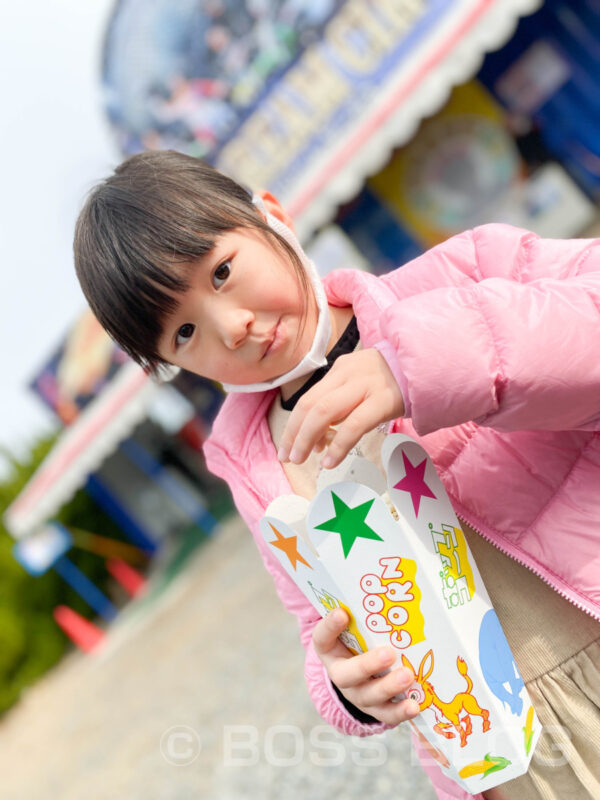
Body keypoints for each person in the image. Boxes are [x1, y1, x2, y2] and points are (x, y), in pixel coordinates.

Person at [74, 149, 600, 800]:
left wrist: (422, 364)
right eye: (184, 333)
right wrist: (346, 690)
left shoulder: (461, 275)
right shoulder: (257, 463)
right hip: (510, 767)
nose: (230, 325)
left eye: (222, 272)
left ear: (270, 215)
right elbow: (317, 617)